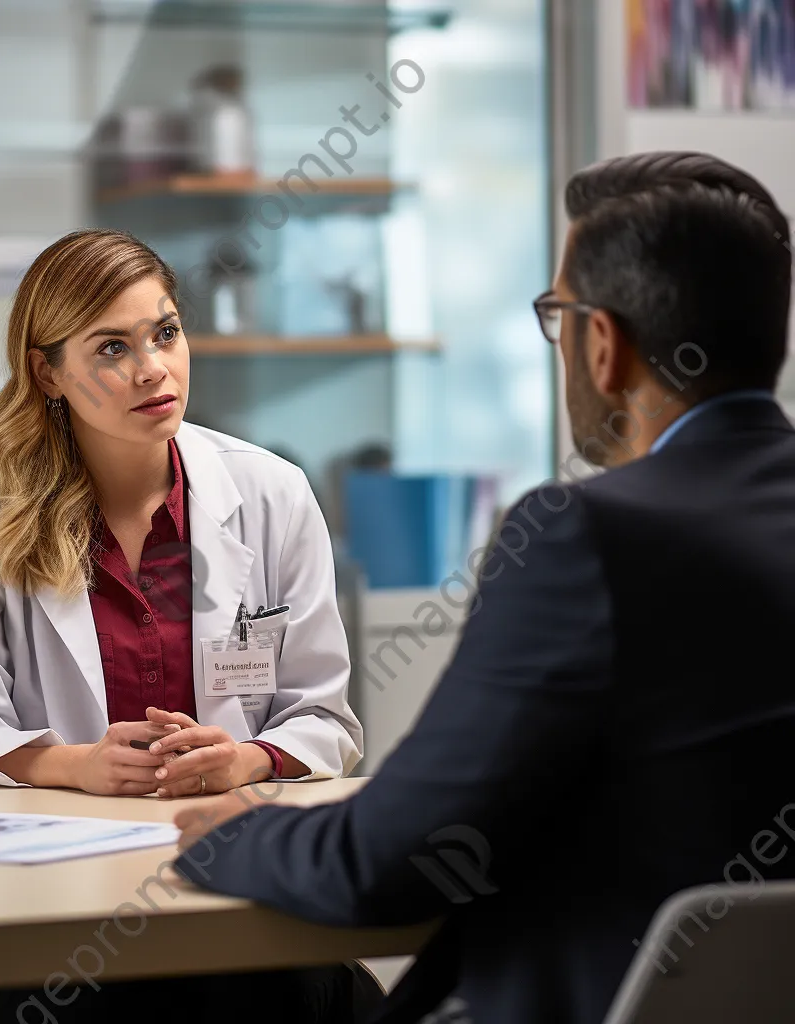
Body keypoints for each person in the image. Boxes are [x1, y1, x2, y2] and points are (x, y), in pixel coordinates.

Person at [171, 151, 795, 1024]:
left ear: (604, 346)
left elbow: (386, 861)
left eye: (557, 315)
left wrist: (234, 835)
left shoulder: (586, 535)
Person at [0, 229, 364, 1024]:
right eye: (112, 347)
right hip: (60, 895)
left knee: (264, 983)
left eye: (166, 332)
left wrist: (246, 758)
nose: (153, 367)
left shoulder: (272, 495)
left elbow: (324, 716)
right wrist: (77, 765)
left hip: (229, 875)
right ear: (47, 371)